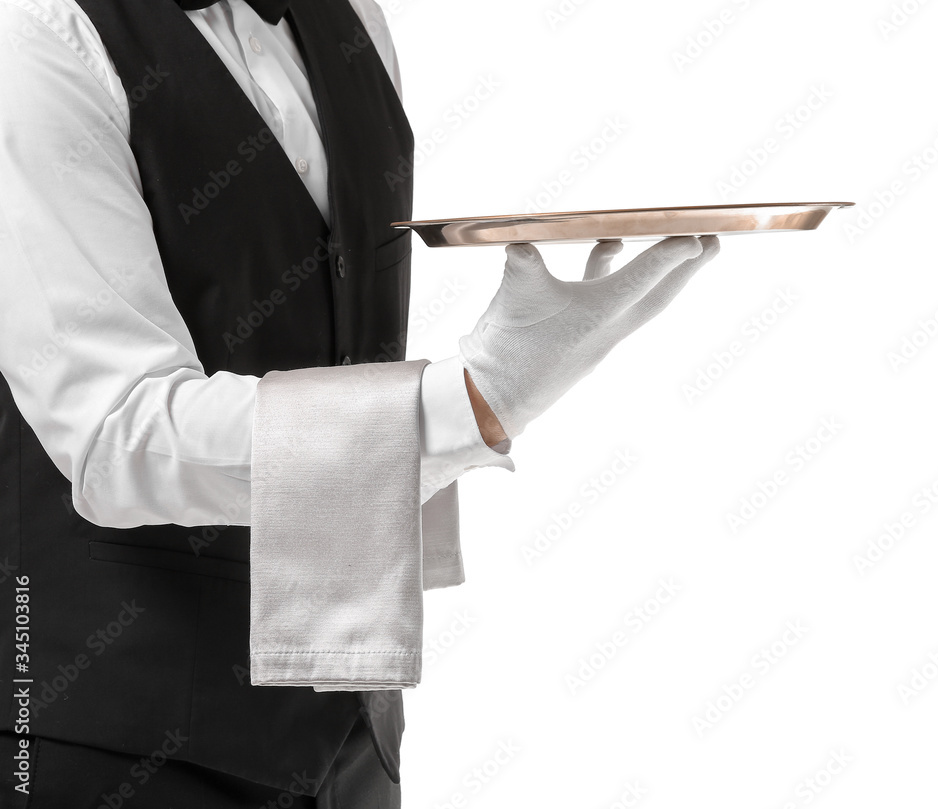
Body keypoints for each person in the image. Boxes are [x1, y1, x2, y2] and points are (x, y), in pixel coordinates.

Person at [0, 0, 720, 804]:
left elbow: (340, 342)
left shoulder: (355, 21)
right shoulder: (36, 35)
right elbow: (116, 434)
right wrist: (475, 397)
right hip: (103, 730)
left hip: (352, 735)